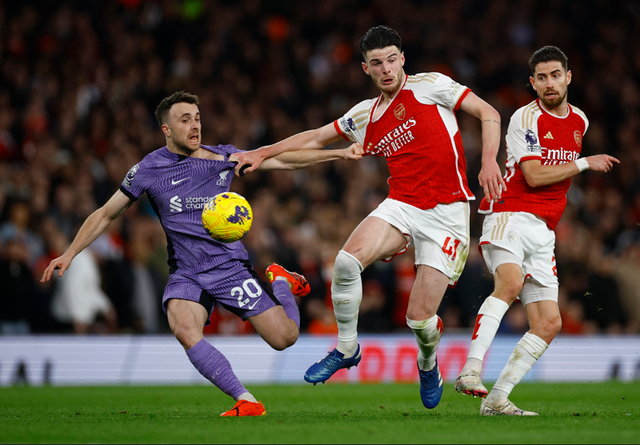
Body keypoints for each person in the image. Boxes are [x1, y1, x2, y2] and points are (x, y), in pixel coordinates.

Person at [41, 90, 363, 417]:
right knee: (183, 328)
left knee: (285, 338)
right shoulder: (148, 169)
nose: (195, 126)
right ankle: (247, 400)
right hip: (187, 271)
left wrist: (337, 155)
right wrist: (70, 253)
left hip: (229, 268)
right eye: (185, 120)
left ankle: (280, 280)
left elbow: (280, 160)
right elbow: (106, 213)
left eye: (197, 118)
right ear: (166, 129)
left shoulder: (222, 159)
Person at [232, 25, 506, 410]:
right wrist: (260, 153)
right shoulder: (366, 114)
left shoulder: (430, 85)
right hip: (402, 203)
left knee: (419, 318)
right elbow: (314, 138)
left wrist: (490, 160)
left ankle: (428, 363)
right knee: (345, 261)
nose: (386, 69)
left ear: (402, 59)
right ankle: (347, 348)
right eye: (377, 63)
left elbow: (488, 112)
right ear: (366, 69)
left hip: (447, 212)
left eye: (392, 59)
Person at [454, 46, 620, 415]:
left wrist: (578, 166)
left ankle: (497, 400)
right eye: (541, 77)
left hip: (544, 229)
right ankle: (470, 369)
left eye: (555, 75)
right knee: (509, 284)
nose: (549, 83)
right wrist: (584, 163)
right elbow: (534, 175)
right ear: (532, 82)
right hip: (509, 215)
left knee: (548, 322)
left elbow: (558, 179)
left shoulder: (580, 121)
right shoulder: (525, 118)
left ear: (568, 77)